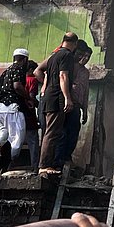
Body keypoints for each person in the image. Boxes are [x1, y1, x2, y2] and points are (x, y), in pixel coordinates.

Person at [37, 32, 79, 175]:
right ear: (75, 44)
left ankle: (49, 164)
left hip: (49, 96)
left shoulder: (54, 56)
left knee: (52, 131)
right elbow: (63, 75)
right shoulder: (67, 55)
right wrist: (68, 97)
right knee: (52, 132)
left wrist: (46, 86)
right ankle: (44, 165)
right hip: (57, 97)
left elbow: (39, 71)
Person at [0, 48, 30, 164]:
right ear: (25, 60)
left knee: (3, 138)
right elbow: (17, 86)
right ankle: (10, 163)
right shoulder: (19, 69)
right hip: (14, 110)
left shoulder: (5, 71)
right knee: (16, 139)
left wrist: (4, 100)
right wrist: (28, 98)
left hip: (1, 109)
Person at [57, 43, 91, 166]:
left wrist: (85, 110)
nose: (85, 58)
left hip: (77, 105)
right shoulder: (71, 67)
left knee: (73, 133)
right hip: (67, 103)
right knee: (63, 132)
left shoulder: (86, 72)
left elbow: (86, 91)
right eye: (83, 55)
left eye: (88, 56)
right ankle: (60, 159)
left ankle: (67, 157)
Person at [23, 58, 42, 169]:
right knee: (33, 141)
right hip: (29, 114)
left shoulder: (19, 79)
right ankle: (35, 166)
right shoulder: (32, 80)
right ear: (31, 70)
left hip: (18, 113)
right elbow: (31, 97)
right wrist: (39, 105)